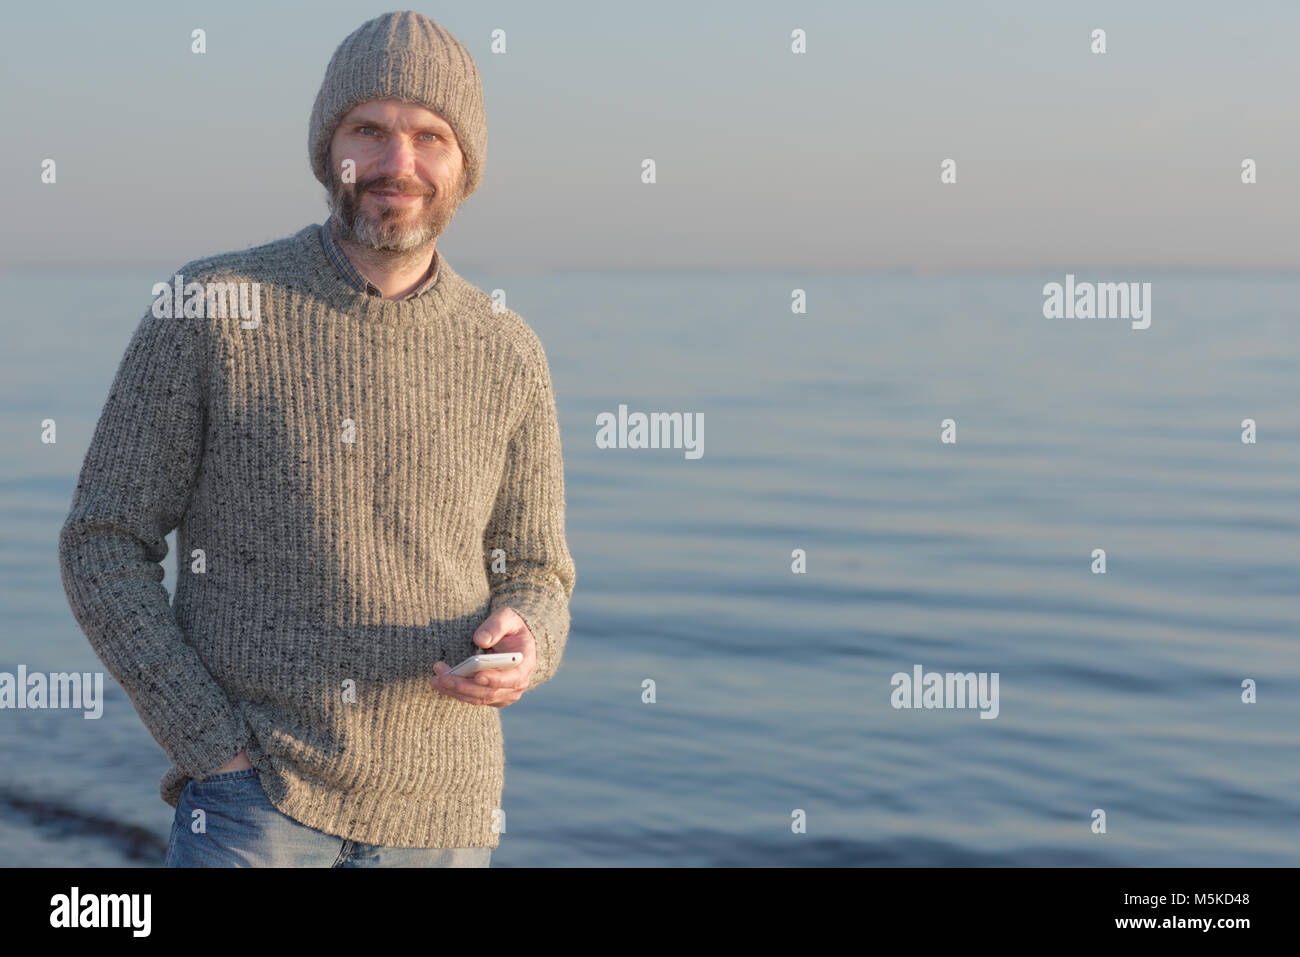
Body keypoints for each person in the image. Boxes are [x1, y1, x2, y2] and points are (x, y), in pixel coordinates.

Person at [56, 10, 576, 868]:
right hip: (252, 811)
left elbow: (537, 567)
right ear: (327, 146)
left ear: (465, 165)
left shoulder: (507, 349)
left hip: (445, 820)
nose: (396, 163)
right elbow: (103, 542)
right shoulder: (212, 306)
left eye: (429, 136)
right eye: (367, 129)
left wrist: (531, 640)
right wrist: (211, 750)